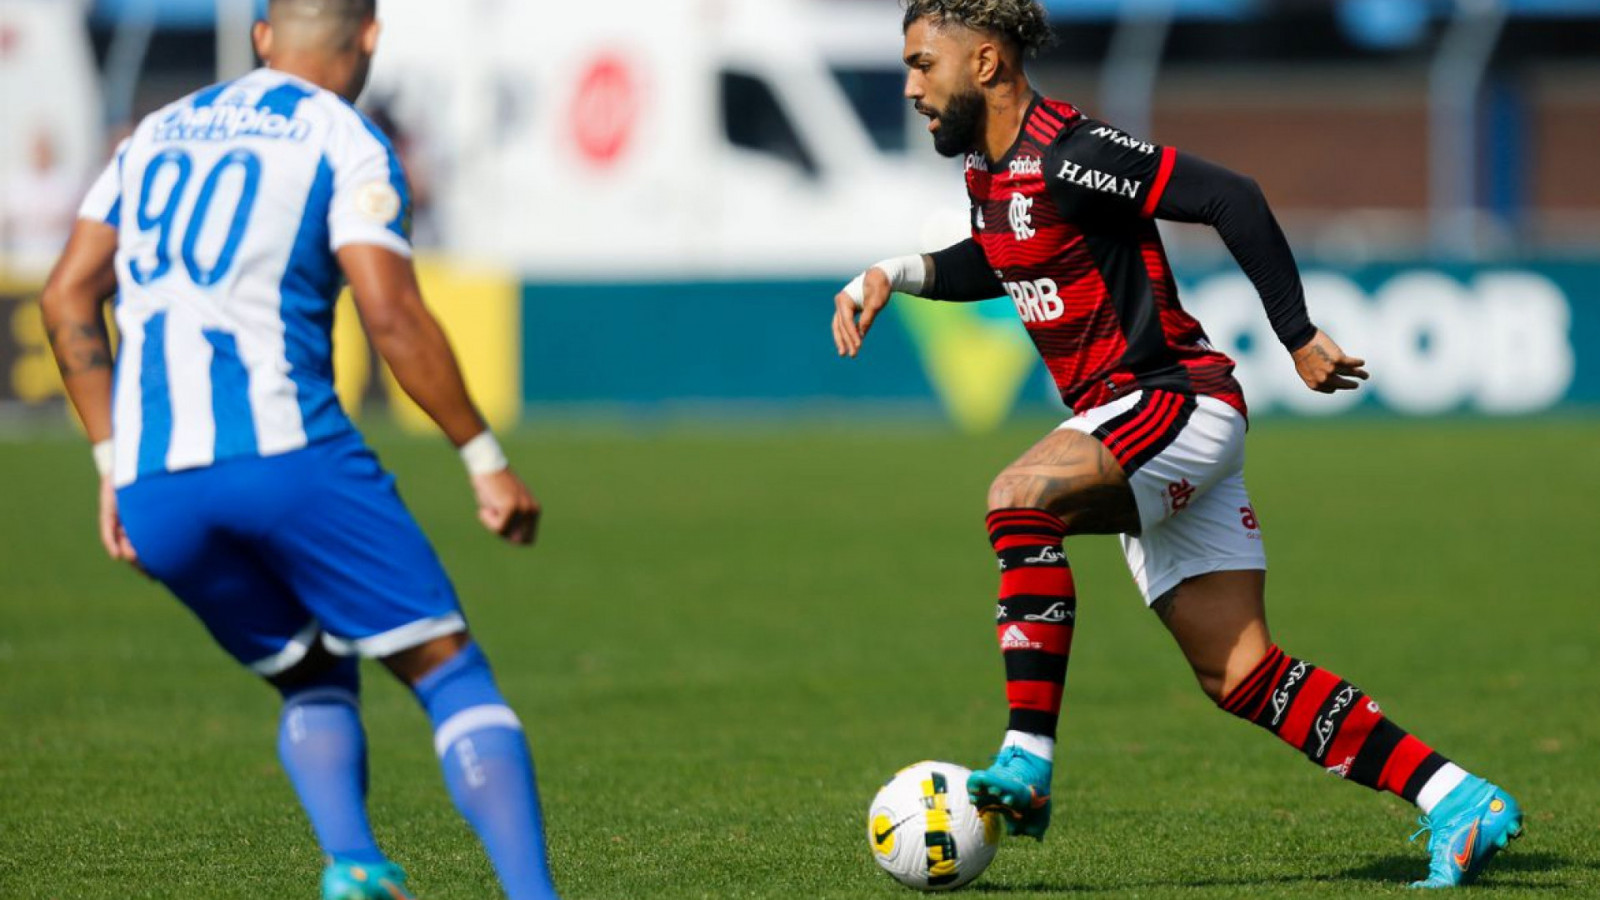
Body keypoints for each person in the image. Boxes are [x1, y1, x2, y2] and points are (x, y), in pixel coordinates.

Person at [831, 1, 1519, 889]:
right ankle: (1459, 799)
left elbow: (1229, 196)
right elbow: (1000, 257)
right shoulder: (989, 174)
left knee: (1018, 500)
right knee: (1240, 674)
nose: (912, 86)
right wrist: (896, 272)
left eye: (925, 64)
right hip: (1131, 428)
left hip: (1172, 402)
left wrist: (1298, 334)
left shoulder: (1072, 152)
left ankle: (1027, 759)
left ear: (990, 63)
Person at [39, 2, 560, 898]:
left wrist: (109, 464)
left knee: (309, 670)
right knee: (449, 670)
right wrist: (484, 457)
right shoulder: (342, 137)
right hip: (288, 456)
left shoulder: (153, 133)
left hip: (155, 484)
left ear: (262, 36)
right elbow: (392, 315)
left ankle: (355, 867)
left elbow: (65, 297)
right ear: (368, 37)